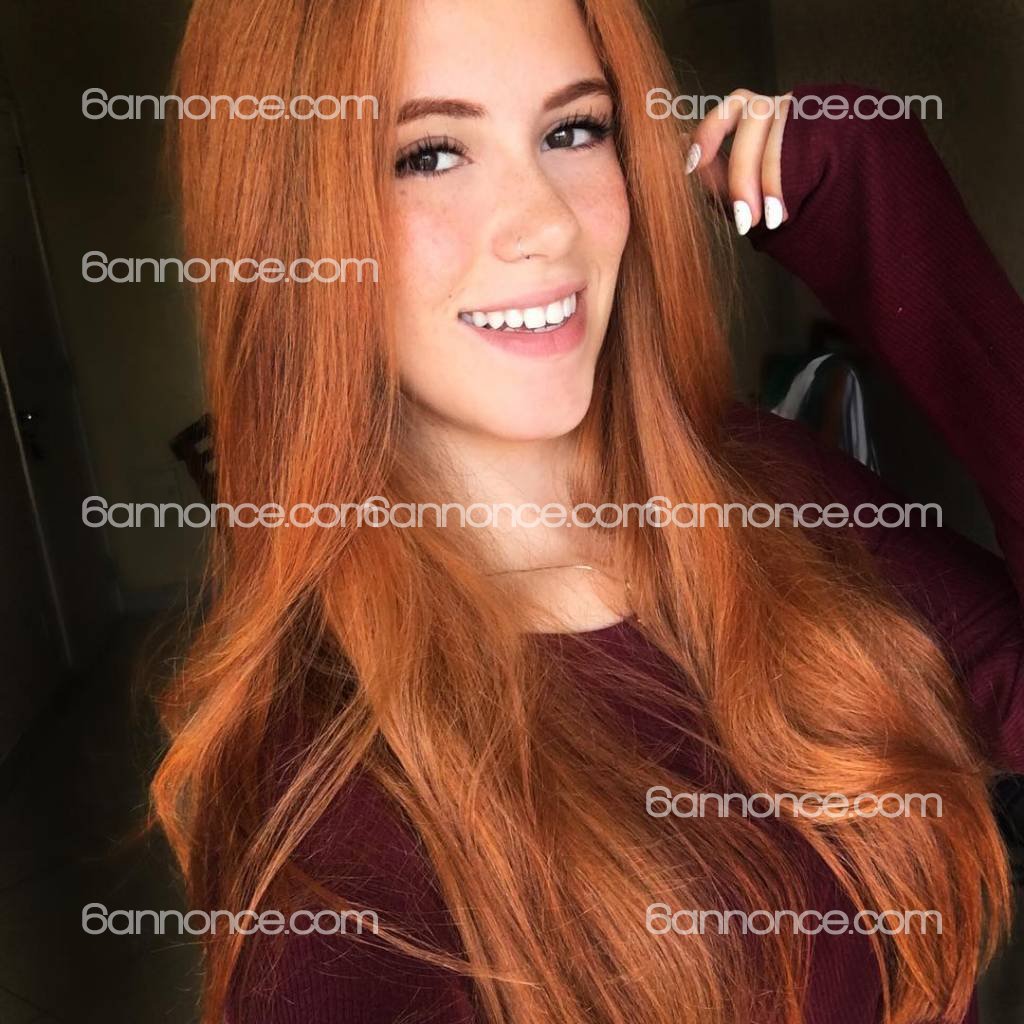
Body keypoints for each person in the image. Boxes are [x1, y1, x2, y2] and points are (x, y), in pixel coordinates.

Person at [151, 1, 1024, 1022]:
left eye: (573, 130)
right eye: (429, 154)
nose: (547, 223)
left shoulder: (764, 481)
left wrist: (898, 229)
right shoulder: (336, 835)